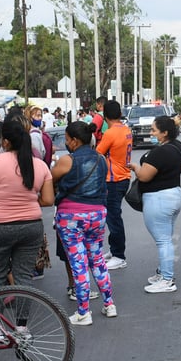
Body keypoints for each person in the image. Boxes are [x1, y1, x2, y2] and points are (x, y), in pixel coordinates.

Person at [0, 117, 54, 289]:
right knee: (24, 276)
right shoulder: (40, 165)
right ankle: (22, 317)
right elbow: (48, 200)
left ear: (6, 142)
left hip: (0, 226)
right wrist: (28, 199)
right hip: (32, 226)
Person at [52, 121, 117, 325]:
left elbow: (49, 179)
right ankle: (109, 304)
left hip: (71, 217)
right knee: (97, 259)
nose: (66, 142)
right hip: (97, 215)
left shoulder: (66, 161)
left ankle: (83, 312)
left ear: (74, 140)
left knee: (79, 264)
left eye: (67, 138)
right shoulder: (101, 159)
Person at [129, 116, 181, 294]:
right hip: (174, 194)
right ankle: (163, 273)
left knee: (163, 240)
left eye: (154, 130)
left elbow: (144, 177)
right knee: (166, 238)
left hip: (159, 199)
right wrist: (171, 174)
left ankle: (167, 279)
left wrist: (135, 167)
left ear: (164, 133)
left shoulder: (159, 153)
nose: (151, 133)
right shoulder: (178, 146)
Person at [96, 100, 133, 270]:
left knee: (113, 217)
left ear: (105, 116)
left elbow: (97, 154)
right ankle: (114, 250)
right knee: (113, 216)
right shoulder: (126, 130)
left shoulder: (110, 133)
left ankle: (119, 255)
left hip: (114, 179)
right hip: (123, 177)